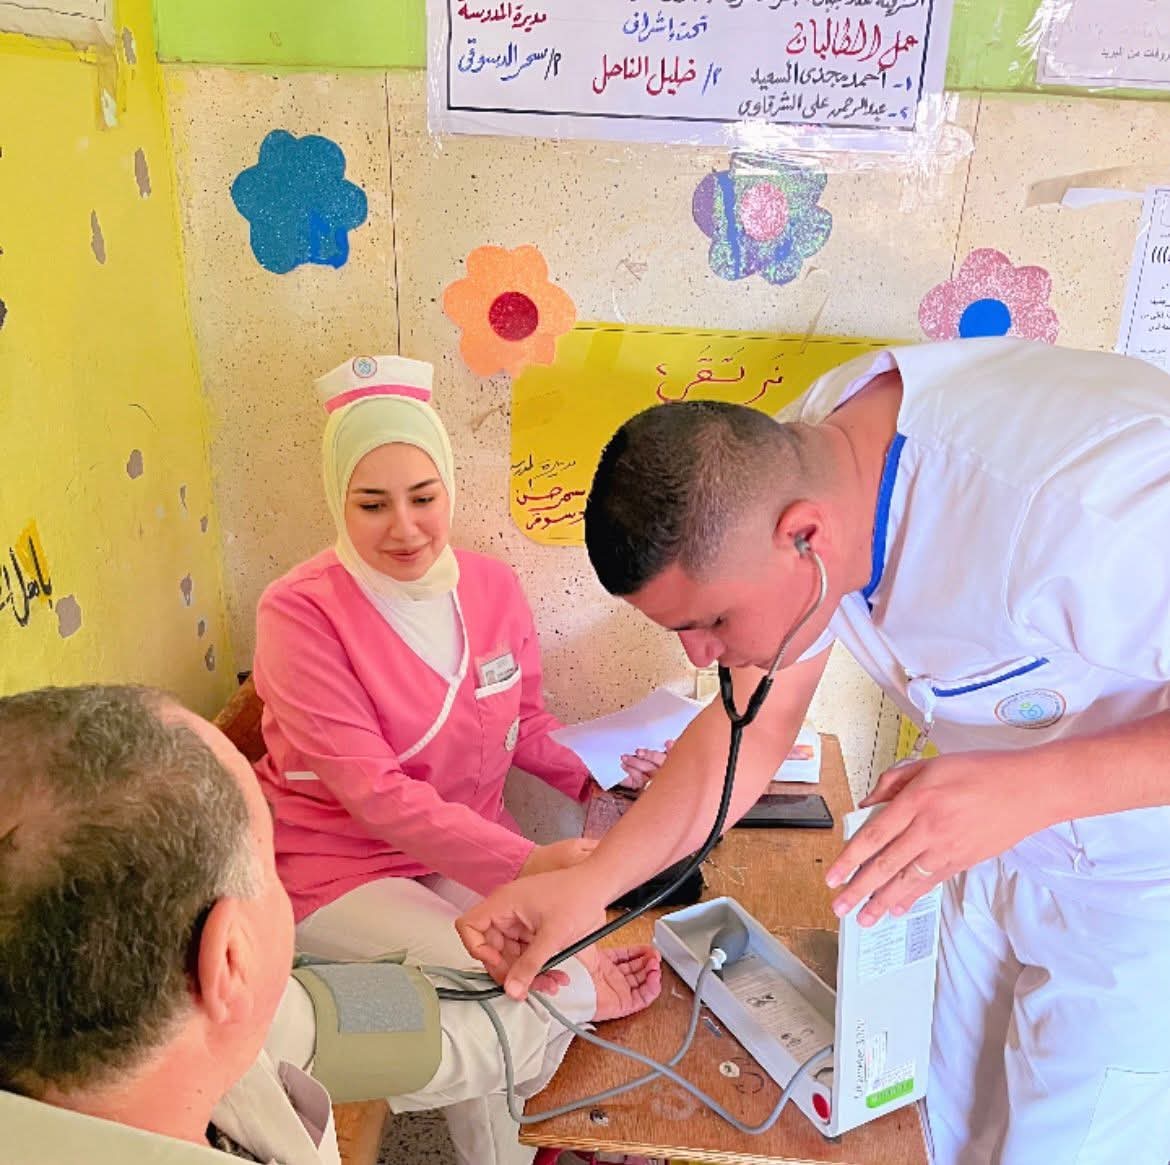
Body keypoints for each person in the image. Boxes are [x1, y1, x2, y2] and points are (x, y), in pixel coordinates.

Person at [457, 337, 1170, 1165]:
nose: (700, 655)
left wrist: (1028, 789)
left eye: (712, 622)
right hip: (998, 849)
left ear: (805, 536)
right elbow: (748, 727)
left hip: (1142, 893)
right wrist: (590, 886)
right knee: (933, 1131)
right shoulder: (810, 461)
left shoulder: (1092, 511)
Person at [252, 354, 663, 1163]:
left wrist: (601, 771)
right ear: (337, 499)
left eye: (423, 496)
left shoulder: (490, 588)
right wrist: (532, 862)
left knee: (538, 965)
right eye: (372, 504)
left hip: (460, 852)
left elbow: (523, 720)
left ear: (449, 488)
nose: (405, 528)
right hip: (338, 869)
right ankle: (538, 1100)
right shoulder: (298, 615)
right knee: (506, 983)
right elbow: (374, 793)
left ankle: (518, 1141)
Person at [0, 684, 662, 1164]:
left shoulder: (210, 1021)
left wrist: (578, 991)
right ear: (229, 956)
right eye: (269, 859)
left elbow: (401, 1029)